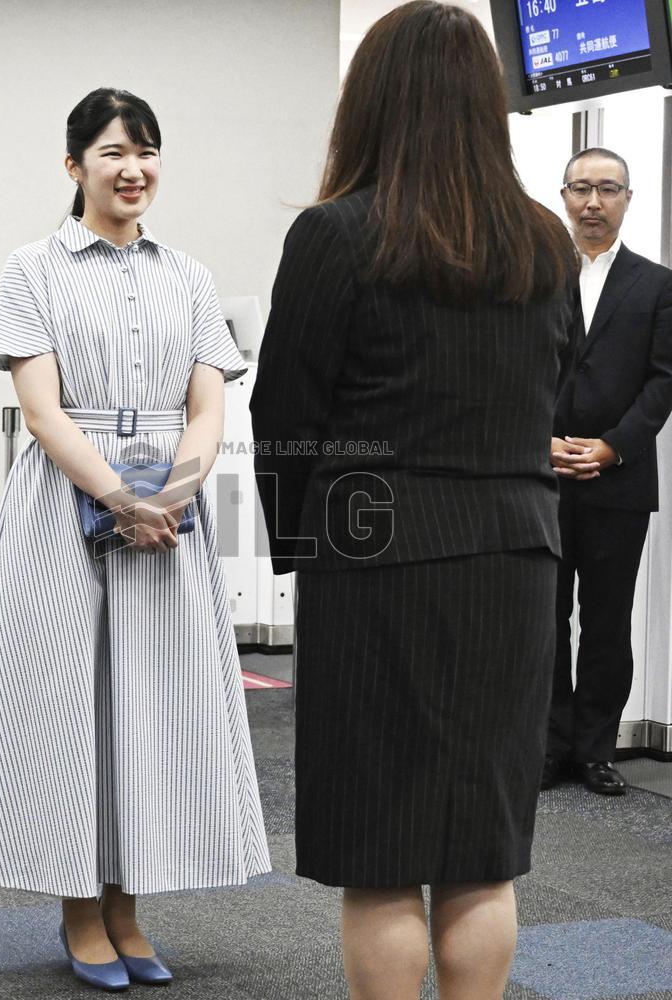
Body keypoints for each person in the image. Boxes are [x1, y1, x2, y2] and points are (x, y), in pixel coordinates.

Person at [249, 4, 579, 999]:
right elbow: (549, 386)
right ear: (488, 105)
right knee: (483, 851)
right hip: (518, 559)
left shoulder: (337, 234)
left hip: (377, 561)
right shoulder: (544, 242)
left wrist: (299, 548)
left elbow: (285, 413)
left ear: (369, 104)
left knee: (383, 856)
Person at [0, 87, 270, 990]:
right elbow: (43, 413)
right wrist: (118, 499)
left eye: (148, 153)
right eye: (113, 154)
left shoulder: (191, 275)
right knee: (67, 706)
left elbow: (209, 406)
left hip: (171, 511)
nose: (134, 170)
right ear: (74, 166)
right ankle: (79, 911)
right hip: (65, 508)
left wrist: (169, 494)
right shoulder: (32, 269)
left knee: (151, 708)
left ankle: (130, 908)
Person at [545, 148, 672, 795]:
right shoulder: (533, 277)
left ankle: (597, 750)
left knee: (605, 620)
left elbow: (663, 381)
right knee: (543, 617)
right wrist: (541, 441)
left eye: (607, 189)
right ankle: (550, 745)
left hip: (618, 480)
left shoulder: (657, 284)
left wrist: (612, 446)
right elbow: (514, 370)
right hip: (541, 476)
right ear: (563, 196)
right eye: (582, 189)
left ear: (628, 198)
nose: (593, 202)